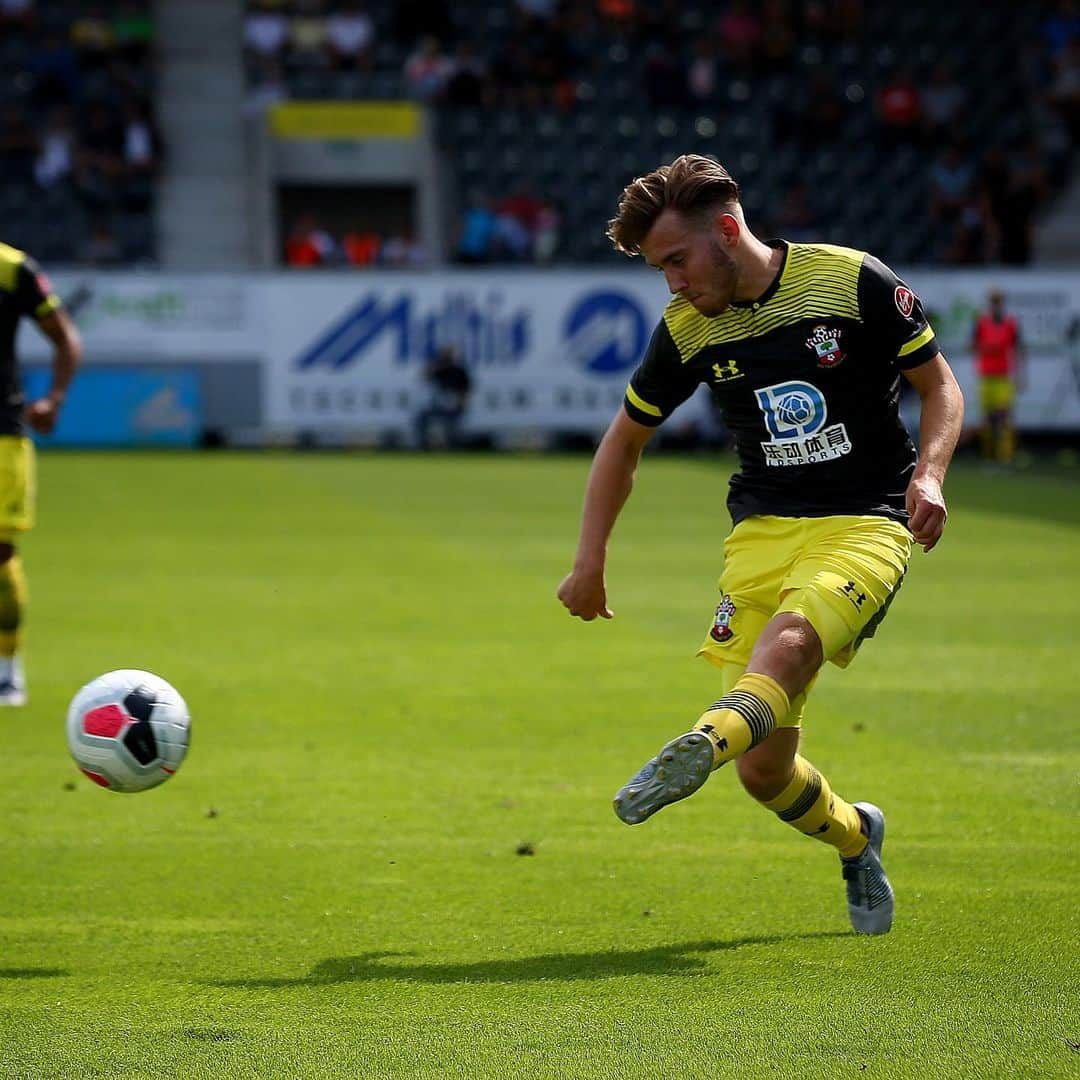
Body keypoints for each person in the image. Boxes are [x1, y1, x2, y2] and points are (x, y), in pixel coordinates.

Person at [557, 155, 963, 935]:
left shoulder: (851, 282)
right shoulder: (686, 327)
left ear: (728, 229)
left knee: (796, 637)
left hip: (866, 522)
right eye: (657, 269)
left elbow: (940, 386)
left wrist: (933, 475)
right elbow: (623, 443)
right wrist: (589, 560)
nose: (671, 282)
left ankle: (701, 742)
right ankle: (855, 836)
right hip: (759, 536)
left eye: (676, 260)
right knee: (764, 770)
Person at [0, 241, 82, 704]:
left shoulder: (12, 270)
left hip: (2, 433)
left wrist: (54, 399)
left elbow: (65, 338)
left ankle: (7, 669)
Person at [971, 289, 1023, 464]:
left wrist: (1020, 375)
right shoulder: (982, 323)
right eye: (993, 302)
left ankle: (1004, 457)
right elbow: (972, 346)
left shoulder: (1010, 324)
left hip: (1003, 376)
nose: (996, 305)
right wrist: (986, 348)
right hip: (985, 376)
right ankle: (988, 457)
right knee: (987, 418)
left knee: (1003, 417)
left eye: (998, 302)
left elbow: (1018, 350)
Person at [415, 346, 472, 450]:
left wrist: (460, 404)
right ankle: (425, 445)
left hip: (455, 407)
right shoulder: (441, 368)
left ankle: (452, 446)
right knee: (422, 418)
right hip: (439, 405)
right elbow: (423, 376)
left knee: (452, 424)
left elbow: (466, 391)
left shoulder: (460, 371)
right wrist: (436, 364)